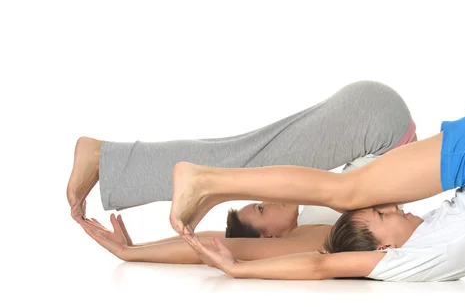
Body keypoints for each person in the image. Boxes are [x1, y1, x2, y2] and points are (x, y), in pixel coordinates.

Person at [71, 80, 417, 262]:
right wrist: (131, 252)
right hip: (380, 126)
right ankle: (108, 159)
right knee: (236, 157)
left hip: (375, 122)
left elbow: (212, 242)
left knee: (236, 157)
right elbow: (218, 245)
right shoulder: (316, 235)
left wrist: (134, 251)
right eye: (263, 209)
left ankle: (114, 161)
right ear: (272, 237)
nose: (268, 199)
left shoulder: (313, 211)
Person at [170, 114, 465, 282]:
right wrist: (238, 268)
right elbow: (322, 265)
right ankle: (209, 184)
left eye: (382, 213)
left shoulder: (396, 259)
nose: (392, 206)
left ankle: (207, 183)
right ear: (383, 248)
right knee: (344, 193)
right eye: (384, 216)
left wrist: (239, 269)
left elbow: (319, 265)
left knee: (343, 194)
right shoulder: (397, 261)